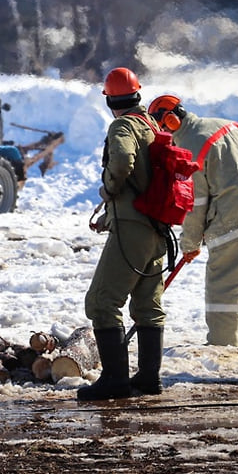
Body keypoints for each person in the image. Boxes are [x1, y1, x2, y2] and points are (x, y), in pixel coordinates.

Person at [147, 95, 238, 347]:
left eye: (164, 128)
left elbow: (194, 203)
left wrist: (189, 244)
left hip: (234, 217)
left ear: (171, 120)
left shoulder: (188, 147)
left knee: (223, 284)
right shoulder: (226, 123)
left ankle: (223, 346)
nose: (165, 135)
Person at [79, 67, 168, 401]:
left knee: (102, 302)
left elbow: (121, 162)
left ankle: (115, 381)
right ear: (137, 94)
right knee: (147, 304)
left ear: (109, 100)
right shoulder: (151, 124)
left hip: (132, 226)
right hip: (155, 227)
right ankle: (148, 379)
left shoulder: (124, 125)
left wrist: (110, 189)